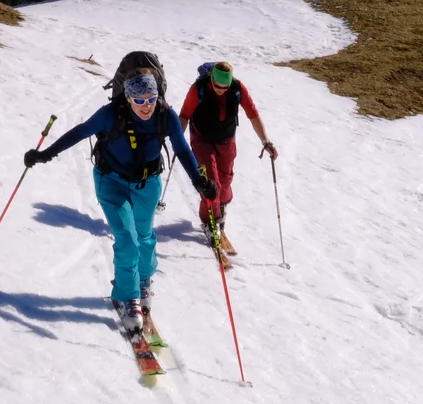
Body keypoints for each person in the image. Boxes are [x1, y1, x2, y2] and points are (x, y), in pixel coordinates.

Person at [24, 51, 217, 342]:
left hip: (147, 183)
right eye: (139, 100)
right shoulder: (110, 114)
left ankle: (143, 281)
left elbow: (182, 149)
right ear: (127, 98)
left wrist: (200, 182)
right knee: (127, 240)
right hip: (111, 182)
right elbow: (79, 132)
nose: (146, 106)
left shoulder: (165, 115)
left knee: (145, 236)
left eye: (151, 99)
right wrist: (45, 154)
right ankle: (128, 297)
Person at [180, 60, 277, 255]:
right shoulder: (198, 88)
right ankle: (210, 222)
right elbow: (184, 115)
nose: (221, 90)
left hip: (226, 140)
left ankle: (220, 210)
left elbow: (253, 114)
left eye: (225, 86)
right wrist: (178, 141)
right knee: (211, 184)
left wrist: (265, 141)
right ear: (211, 79)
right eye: (217, 86)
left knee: (225, 181)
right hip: (202, 140)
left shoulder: (238, 89)